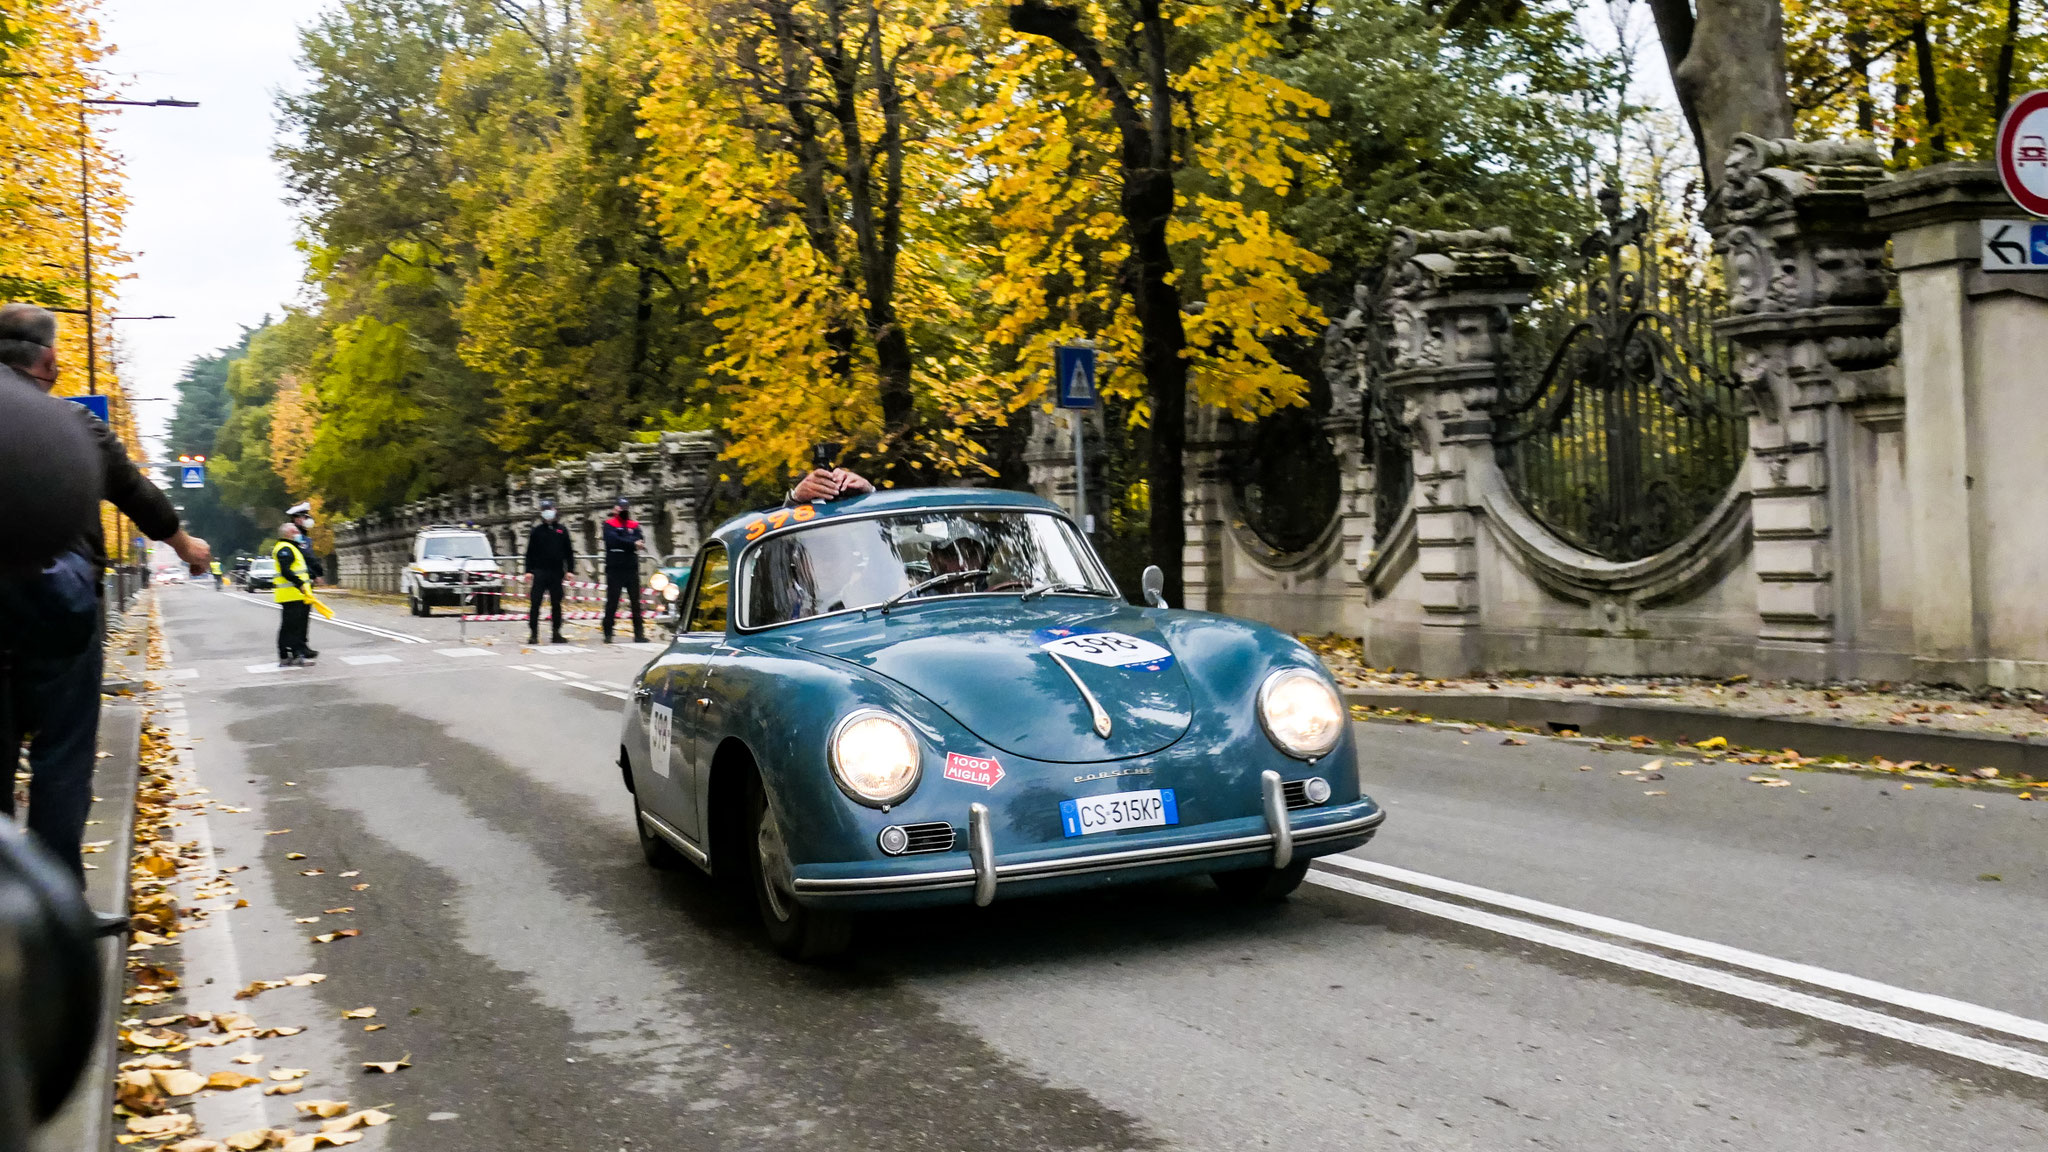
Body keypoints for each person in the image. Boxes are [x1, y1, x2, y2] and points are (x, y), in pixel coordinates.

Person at [0, 303, 209, 884]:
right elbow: (136, 492)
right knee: (61, 755)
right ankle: (56, 896)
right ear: (48, 360)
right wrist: (186, 546)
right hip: (56, 610)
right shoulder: (70, 424)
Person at [524, 498, 574, 645]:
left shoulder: (562, 530)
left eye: (550, 509)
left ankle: (556, 633)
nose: (548, 512)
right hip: (540, 571)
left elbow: (569, 552)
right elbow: (529, 553)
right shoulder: (536, 531)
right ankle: (533, 634)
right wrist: (528, 570)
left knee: (556, 603)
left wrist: (570, 570)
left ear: (554, 510)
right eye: (545, 509)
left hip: (556, 572)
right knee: (535, 603)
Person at [601, 497, 646, 644]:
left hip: (631, 567)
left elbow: (640, 539)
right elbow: (613, 540)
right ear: (615, 509)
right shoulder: (609, 525)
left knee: (636, 602)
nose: (623, 510)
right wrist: (632, 543)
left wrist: (630, 542)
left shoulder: (634, 525)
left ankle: (639, 634)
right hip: (615, 568)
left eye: (625, 508)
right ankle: (608, 632)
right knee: (613, 601)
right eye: (620, 508)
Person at [272, 522, 318, 667]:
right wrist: (299, 584)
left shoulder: (291, 547)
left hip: (295, 594)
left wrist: (310, 576)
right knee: (292, 626)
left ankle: (291, 655)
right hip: (292, 594)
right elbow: (286, 571)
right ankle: (291, 655)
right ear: (288, 534)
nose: (298, 534)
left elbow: (297, 568)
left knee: (292, 626)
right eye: (295, 531)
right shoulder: (285, 548)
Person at [284, 501, 325, 582]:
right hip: (298, 580)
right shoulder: (297, 537)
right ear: (297, 519)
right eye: (305, 517)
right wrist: (316, 575)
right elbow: (307, 557)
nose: (307, 520)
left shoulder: (300, 535)